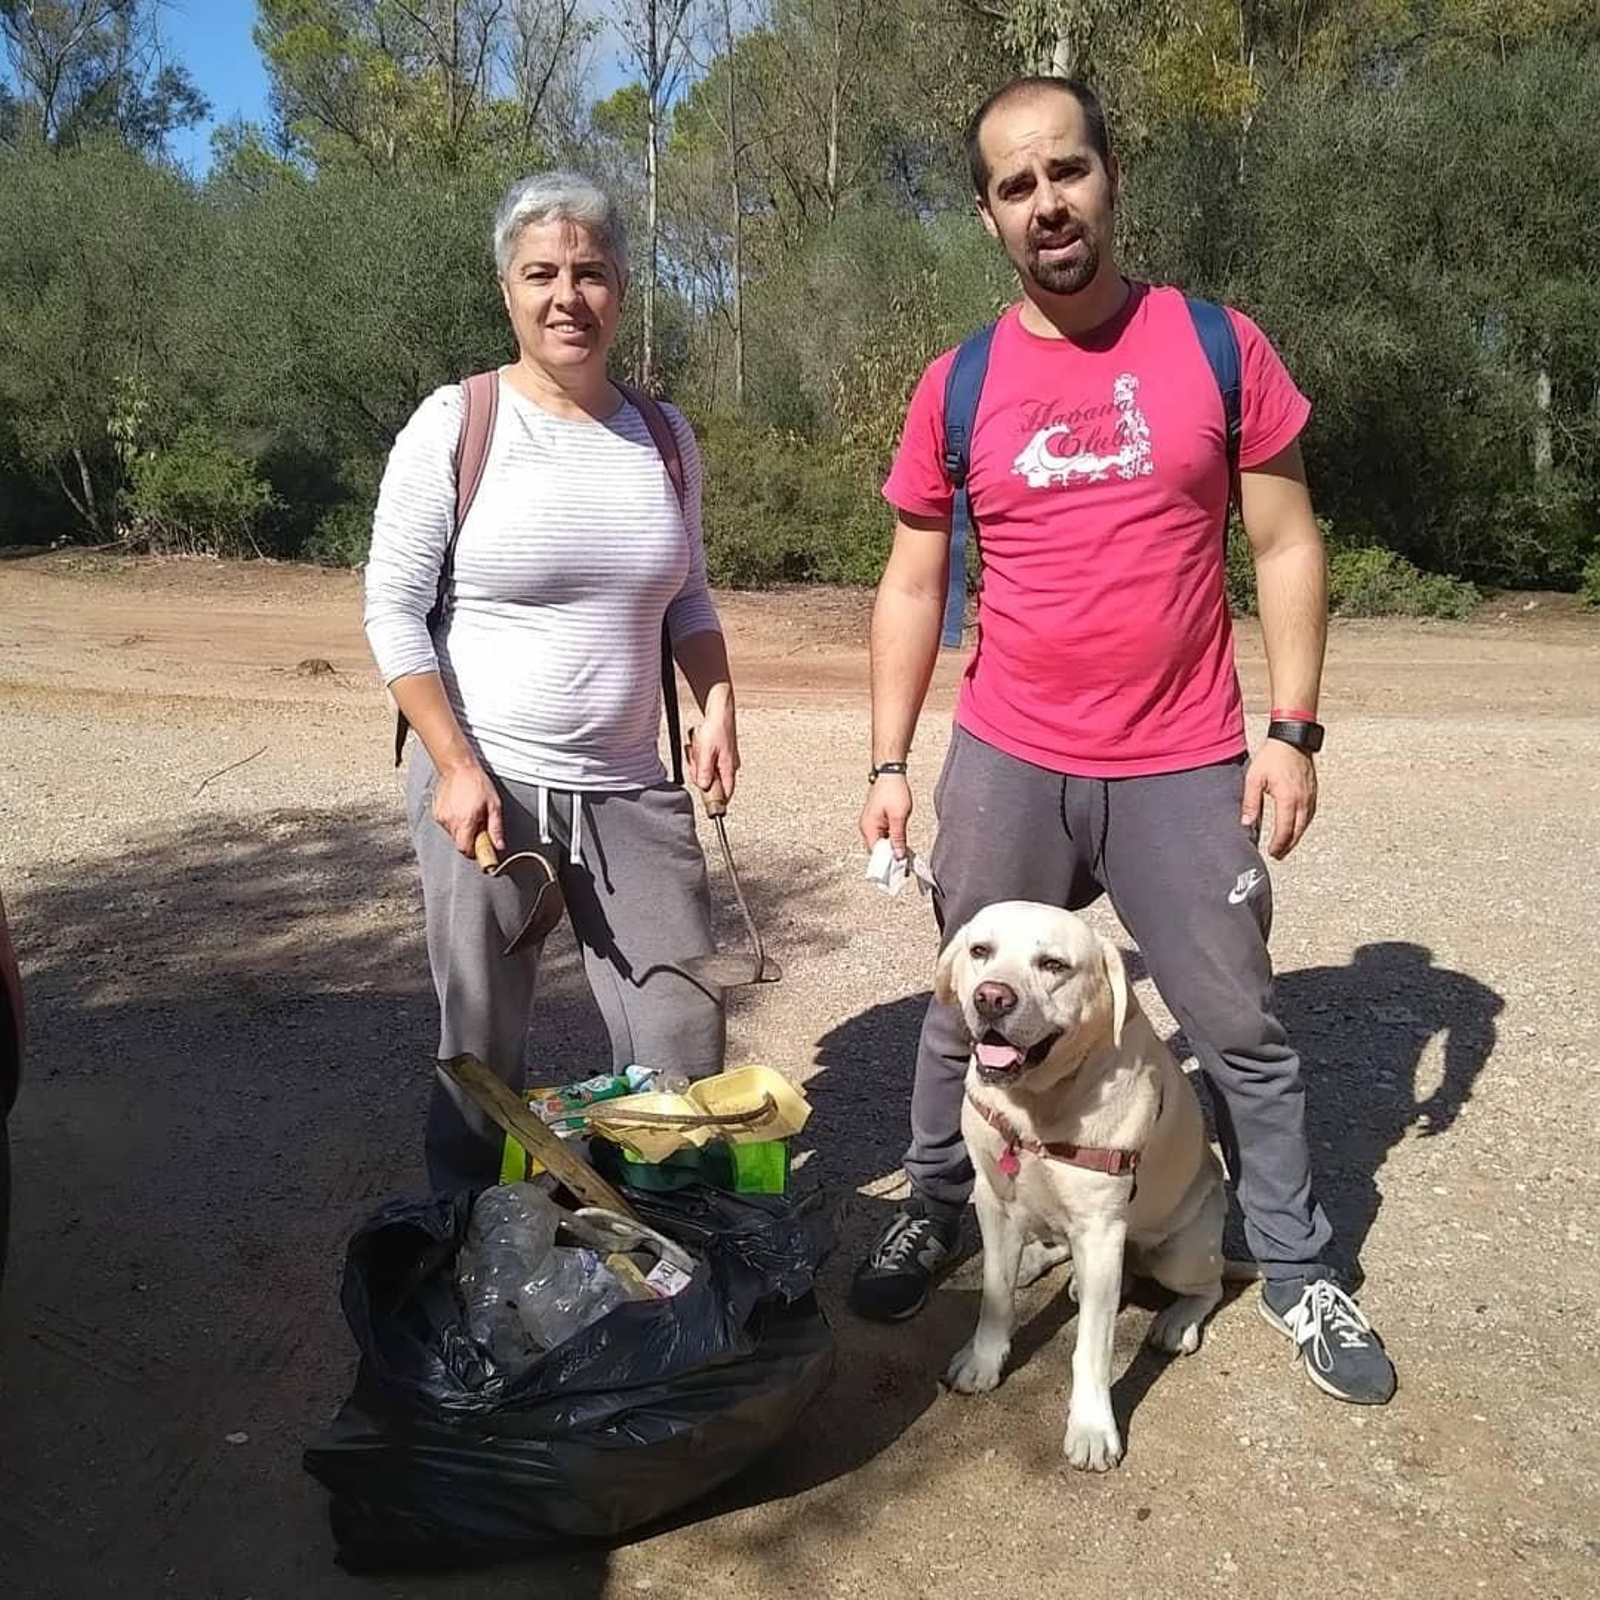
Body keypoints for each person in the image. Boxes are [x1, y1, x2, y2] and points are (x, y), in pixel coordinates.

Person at [850, 77, 1396, 1406]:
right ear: (989, 215)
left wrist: (1293, 729)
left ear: (1111, 179)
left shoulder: (1215, 345)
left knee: (1237, 1023)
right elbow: (914, 580)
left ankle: (1297, 1262)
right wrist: (887, 761)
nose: (1049, 204)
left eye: (1068, 172)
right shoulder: (961, 382)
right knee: (960, 1003)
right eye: (1017, 185)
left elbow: (1286, 540)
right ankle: (935, 1198)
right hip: (1012, 748)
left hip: (1183, 756)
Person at [363, 171, 737, 1193]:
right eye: (541, 274)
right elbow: (392, 610)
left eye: (590, 272)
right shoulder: (457, 422)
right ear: (507, 289)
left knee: (680, 1029)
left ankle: (662, 1237)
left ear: (622, 287)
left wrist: (716, 706)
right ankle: (468, 1252)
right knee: (482, 1049)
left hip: (628, 786)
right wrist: (451, 763)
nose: (567, 295)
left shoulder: (664, 437)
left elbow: (689, 598)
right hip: (489, 784)